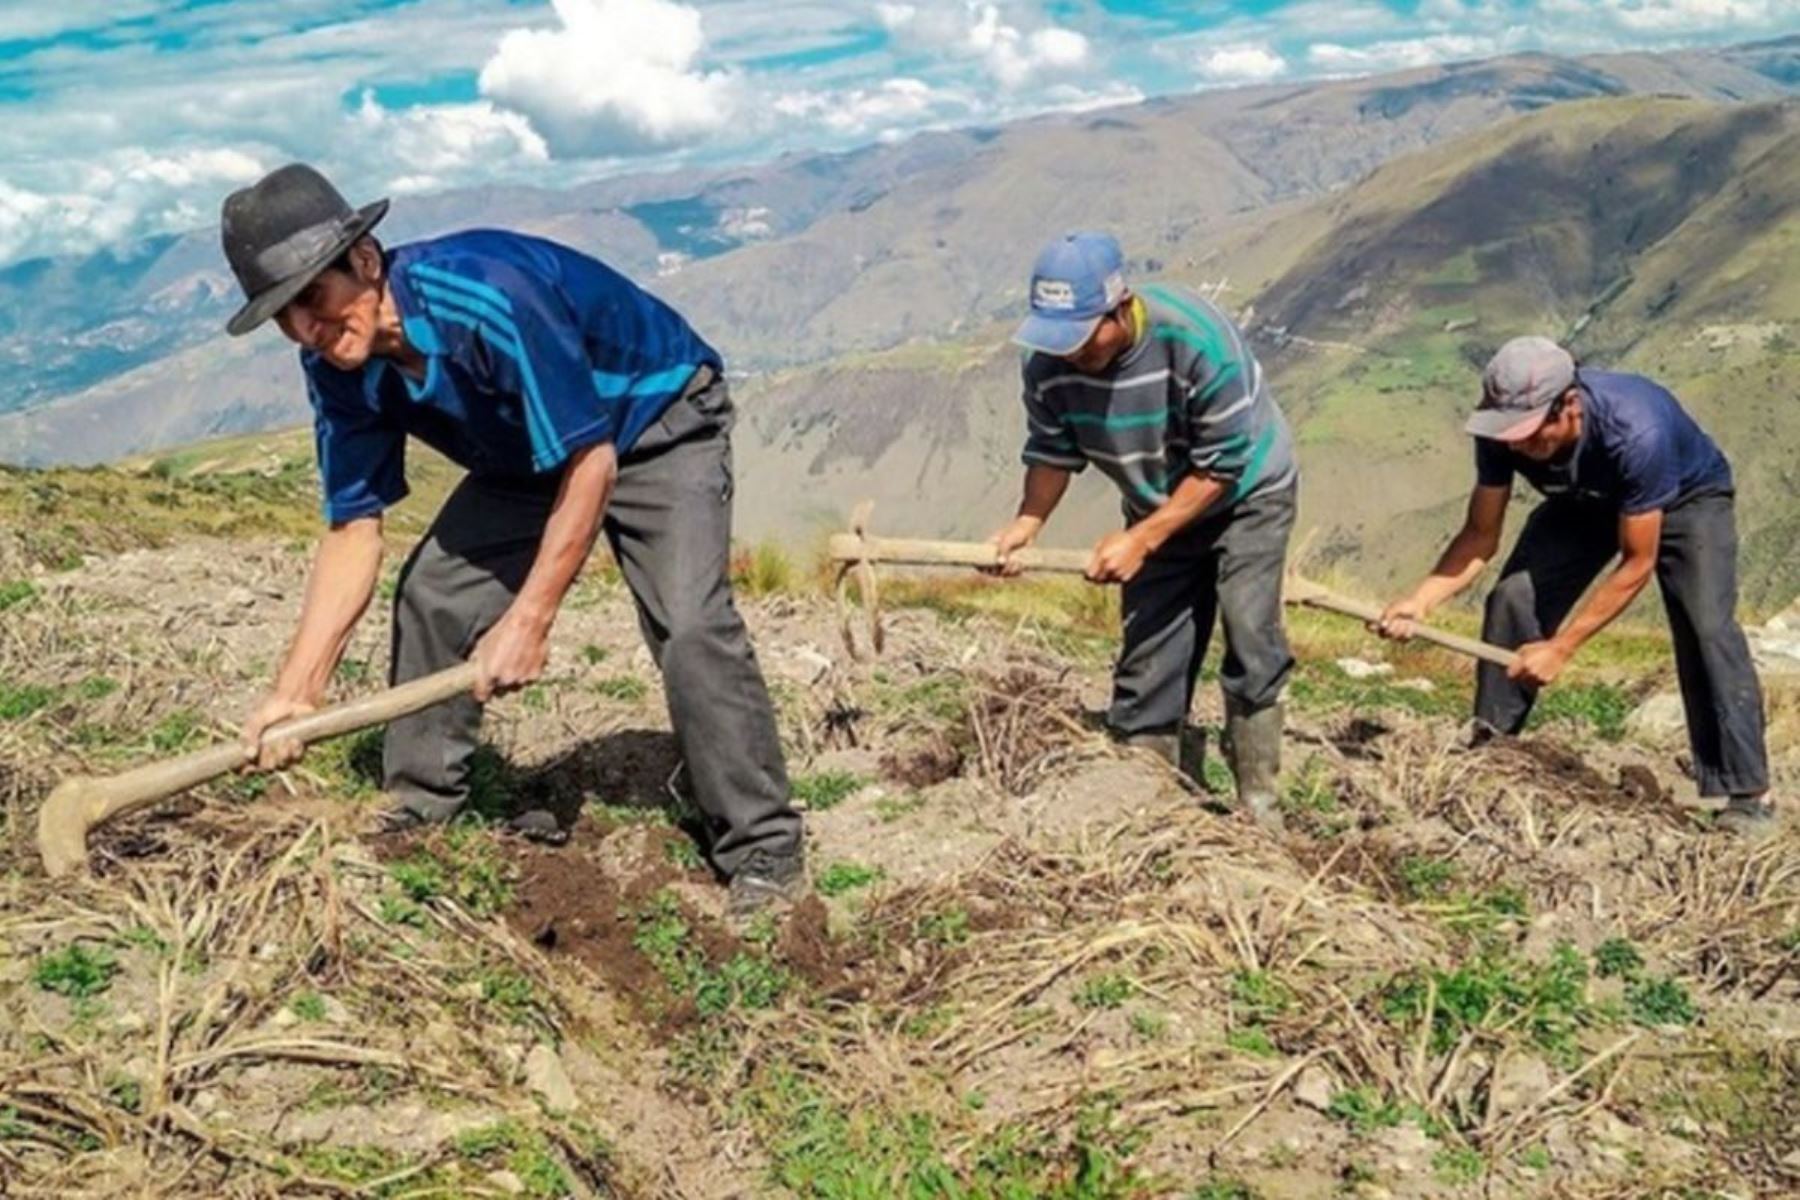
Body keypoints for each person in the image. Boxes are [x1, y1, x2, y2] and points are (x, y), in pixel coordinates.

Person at [218, 163, 805, 912]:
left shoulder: (486, 297)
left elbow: (593, 463)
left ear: (364, 261)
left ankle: (763, 848)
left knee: (690, 624)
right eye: (283, 315)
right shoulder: (337, 367)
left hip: (657, 420)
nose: (307, 327)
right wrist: (295, 694)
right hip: (528, 451)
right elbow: (352, 529)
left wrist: (529, 619)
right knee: (432, 594)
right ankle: (424, 811)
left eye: (313, 297)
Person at [1377, 336, 1776, 837]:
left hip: (1685, 499)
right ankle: (1491, 747)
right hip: (1586, 499)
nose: (1518, 445)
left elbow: (1637, 563)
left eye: (1529, 433)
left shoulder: (1635, 432)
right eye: (1509, 434)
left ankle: (1749, 793)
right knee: (1513, 597)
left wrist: (1562, 648)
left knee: (1706, 626)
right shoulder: (1501, 431)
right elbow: (1480, 534)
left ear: (1569, 405)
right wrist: (1421, 600)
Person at [990, 231, 1299, 829]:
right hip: (1156, 498)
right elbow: (1053, 450)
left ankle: (1260, 807)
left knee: (1249, 629)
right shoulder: (1049, 365)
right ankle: (1146, 798)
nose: (1072, 353)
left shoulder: (1196, 341)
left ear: (1119, 307)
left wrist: (1144, 538)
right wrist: (1028, 521)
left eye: (1083, 335)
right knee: (1151, 649)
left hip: (1246, 492)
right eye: (1059, 340)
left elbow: (1222, 466)